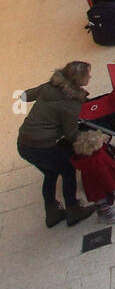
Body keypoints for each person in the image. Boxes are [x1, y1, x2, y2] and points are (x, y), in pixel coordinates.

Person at [16, 62, 99, 228]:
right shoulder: (71, 103)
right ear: (77, 80)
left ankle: (52, 213)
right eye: (87, 75)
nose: (90, 77)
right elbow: (71, 134)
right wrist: (92, 140)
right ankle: (73, 209)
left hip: (23, 143)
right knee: (68, 170)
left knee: (51, 173)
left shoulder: (49, 87)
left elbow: (24, 96)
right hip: (42, 146)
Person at [71, 129, 115, 224]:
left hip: (92, 187)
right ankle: (109, 217)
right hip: (101, 187)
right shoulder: (96, 160)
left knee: (99, 202)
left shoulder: (85, 158)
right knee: (104, 202)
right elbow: (104, 176)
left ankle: (101, 215)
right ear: (94, 147)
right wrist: (111, 187)